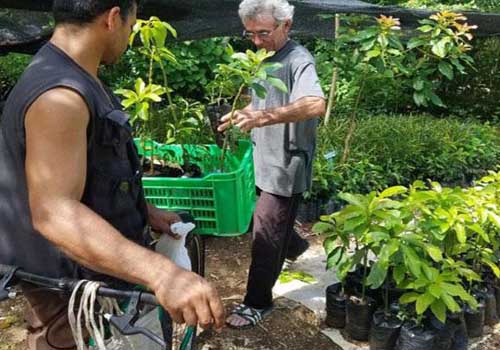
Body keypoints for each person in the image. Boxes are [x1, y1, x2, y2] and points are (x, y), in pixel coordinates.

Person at [0, 1, 224, 349]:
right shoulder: (59, 97)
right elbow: (54, 212)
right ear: (114, 17)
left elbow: (88, 172)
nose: (130, 37)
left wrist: (146, 213)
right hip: (71, 292)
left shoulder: (80, 76)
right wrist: (164, 274)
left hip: (97, 278)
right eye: (131, 27)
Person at [218, 0, 326, 329]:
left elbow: (315, 103)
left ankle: (257, 302)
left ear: (286, 26)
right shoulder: (263, 59)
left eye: (263, 33)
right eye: (249, 34)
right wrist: (249, 112)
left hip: (285, 164)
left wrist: (265, 117)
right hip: (264, 159)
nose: (256, 41)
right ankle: (294, 245)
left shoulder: (298, 59)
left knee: (264, 233)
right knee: (267, 221)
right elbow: (264, 99)